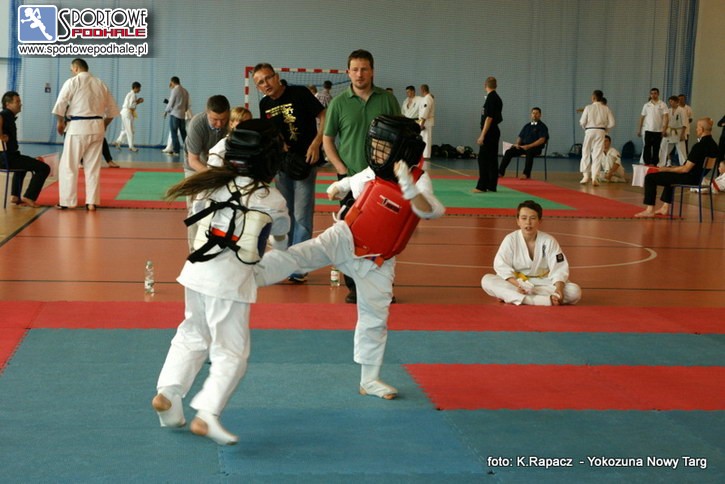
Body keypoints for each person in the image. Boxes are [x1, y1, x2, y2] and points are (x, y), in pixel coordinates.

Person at [256, 115, 445, 399]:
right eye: (375, 145)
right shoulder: (375, 169)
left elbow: (430, 210)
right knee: (299, 256)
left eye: (383, 147)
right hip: (345, 237)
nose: (376, 152)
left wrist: (408, 187)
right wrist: (340, 186)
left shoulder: (419, 179)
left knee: (374, 318)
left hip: (378, 261)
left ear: (402, 149)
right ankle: (248, 273)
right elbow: (356, 179)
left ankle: (369, 380)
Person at [152, 119, 290, 446]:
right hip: (229, 283)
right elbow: (282, 234)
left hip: (196, 272)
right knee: (231, 353)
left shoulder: (212, 184)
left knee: (192, 334)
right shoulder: (271, 198)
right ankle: (207, 413)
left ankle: (168, 394)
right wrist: (280, 249)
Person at [323, 49, 401, 303]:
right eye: (355, 69)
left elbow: (400, 135)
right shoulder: (338, 103)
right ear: (348, 72)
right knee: (350, 237)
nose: (359, 74)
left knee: (384, 236)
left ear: (372, 71)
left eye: (364, 69)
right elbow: (327, 139)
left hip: (384, 182)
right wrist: (341, 170)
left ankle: (382, 289)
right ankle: (355, 289)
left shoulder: (387, 100)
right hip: (351, 182)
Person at [253, 62, 326, 283]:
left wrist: (317, 143)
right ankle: (286, 261)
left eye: (268, 78)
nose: (266, 84)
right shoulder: (265, 104)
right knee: (286, 212)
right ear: (257, 87)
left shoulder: (299, 93)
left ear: (276, 77)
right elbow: (269, 132)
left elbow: (325, 116)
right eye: (260, 82)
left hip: (306, 161)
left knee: (302, 215)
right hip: (282, 165)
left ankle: (299, 266)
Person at [481, 200, 581, 306]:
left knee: (574, 291)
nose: (528, 223)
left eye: (533, 218)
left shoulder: (549, 241)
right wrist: (518, 285)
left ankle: (512, 296)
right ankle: (542, 301)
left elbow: (559, 268)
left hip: (543, 282)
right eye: (524, 218)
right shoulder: (510, 239)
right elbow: (501, 266)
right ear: (518, 221)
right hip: (517, 282)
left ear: (540, 221)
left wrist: (559, 289)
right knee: (487, 280)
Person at [51, 58, 119, 211]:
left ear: (76, 68)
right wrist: (103, 125)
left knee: (69, 166)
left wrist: (60, 122)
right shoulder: (100, 83)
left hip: (77, 128)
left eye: (71, 69)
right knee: (93, 167)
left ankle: (68, 201)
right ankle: (91, 202)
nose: (71, 72)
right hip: (97, 127)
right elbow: (113, 111)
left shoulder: (73, 82)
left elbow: (60, 104)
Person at [635, 117, 719, 218]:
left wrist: (666, 169)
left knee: (650, 178)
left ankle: (649, 210)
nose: (696, 129)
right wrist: (672, 169)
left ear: (701, 129)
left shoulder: (699, 146)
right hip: (698, 178)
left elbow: (685, 169)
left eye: (697, 127)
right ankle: (665, 207)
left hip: (689, 178)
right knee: (671, 175)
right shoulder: (714, 146)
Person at [183, 95, 231, 250]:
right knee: (195, 210)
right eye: (214, 119)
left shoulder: (231, 123)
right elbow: (193, 160)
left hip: (221, 169)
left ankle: (218, 250)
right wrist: (212, 175)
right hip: (196, 168)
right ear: (207, 112)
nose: (219, 124)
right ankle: (194, 252)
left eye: (223, 119)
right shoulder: (197, 124)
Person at [0, 91, 51, 207]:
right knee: (44, 168)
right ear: (8, 104)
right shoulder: (6, 113)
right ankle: (29, 196)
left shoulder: (9, 116)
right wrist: (1, 136)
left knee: (23, 164)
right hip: (6, 159)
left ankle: (15, 196)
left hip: (9, 157)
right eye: (17, 102)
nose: (20, 104)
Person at [498, 107, 549, 180]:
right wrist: (517, 144)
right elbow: (520, 137)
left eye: (536, 113)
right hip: (523, 147)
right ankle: (500, 172)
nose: (534, 115)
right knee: (509, 152)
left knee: (529, 152)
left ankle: (526, 174)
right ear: (531, 114)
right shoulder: (527, 126)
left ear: (540, 115)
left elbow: (542, 140)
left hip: (535, 148)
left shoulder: (542, 126)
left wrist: (529, 146)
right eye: (533, 113)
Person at [473, 76, 503, 193]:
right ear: (496, 85)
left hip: (489, 131)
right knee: (492, 159)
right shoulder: (497, 98)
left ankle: (482, 186)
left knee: (483, 158)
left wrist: (482, 135)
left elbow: (489, 118)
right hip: (494, 131)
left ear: (485, 85)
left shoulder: (491, 98)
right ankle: (492, 185)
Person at [579, 90, 615, 185]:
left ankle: (586, 176)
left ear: (593, 97)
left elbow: (582, 122)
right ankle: (595, 177)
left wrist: (586, 129)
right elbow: (612, 123)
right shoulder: (606, 108)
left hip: (589, 130)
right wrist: (605, 130)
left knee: (586, 153)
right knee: (597, 155)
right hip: (601, 131)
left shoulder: (588, 107)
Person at [637, 88, 669, 166]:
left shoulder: (663, 104)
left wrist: (664, 129)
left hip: (658, 130)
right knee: (647, 146)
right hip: (648, 129)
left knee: (656, 147)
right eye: (652, 93)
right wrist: (639, 129)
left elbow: (666, 117)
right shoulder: (646, 105)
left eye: (655, 93)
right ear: (650, 94)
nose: (653, 95)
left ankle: (655, 163)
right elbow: (642, 117)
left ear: (658, 94)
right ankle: (646, 162)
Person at [113, 81, 144, 152]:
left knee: (125, 130)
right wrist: (138, 101)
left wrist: (137, 101)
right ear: (135, 88)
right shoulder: (133, 95)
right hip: (127, 113)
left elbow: (131, 104)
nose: (140, 90)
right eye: (139, 88)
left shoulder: (129, 94)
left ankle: (118, 141)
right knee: (130, 130)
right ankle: (131, 146)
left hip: (125, 113)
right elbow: (131, 106)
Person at [659, 96, 688, 167]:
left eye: (671, 101)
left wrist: (682, 134)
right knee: (663, 148)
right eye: (669, 101)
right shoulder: (668, 111)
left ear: (676, 102)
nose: (670, 103)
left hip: (679, 131)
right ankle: (660, 164)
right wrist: (664, 131)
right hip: (669, 131)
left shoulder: (682, 110)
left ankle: (684, 165)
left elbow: (685, 123)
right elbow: (665, 122)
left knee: (681, 150)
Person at [164, 76, 190, 156]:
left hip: (174, 114)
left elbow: (171, 103)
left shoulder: (175, 90)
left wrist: (166, 111)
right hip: (182, 115)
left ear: (172, 82)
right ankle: (189, 150)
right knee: (183, 133)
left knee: (174, 133)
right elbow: (187, 105)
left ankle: (176, 151)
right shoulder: (185, 91)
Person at [418, 84, 435, 163]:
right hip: (424, 121)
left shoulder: (428, 98)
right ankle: (423, 155)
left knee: (426, 139)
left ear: (423, 90)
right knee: (423, 138)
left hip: (426, 122)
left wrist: (422, 123)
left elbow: (426, 111)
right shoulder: (427, 98)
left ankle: (426, 156)